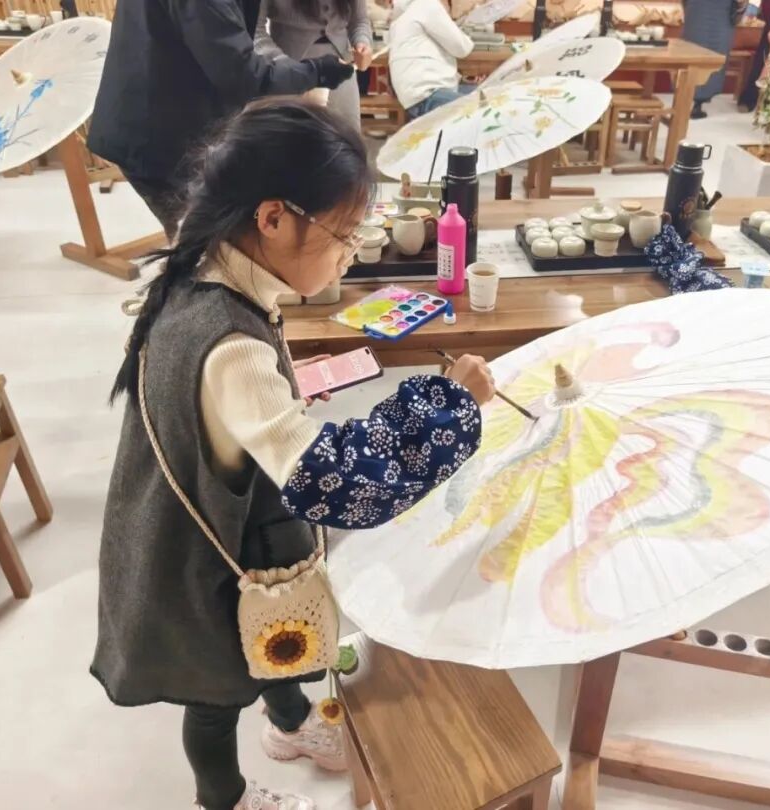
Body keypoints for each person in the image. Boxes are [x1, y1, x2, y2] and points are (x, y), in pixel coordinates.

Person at [91, 98, 495, 810]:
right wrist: (447, 405)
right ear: (273, 217)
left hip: (223, 509)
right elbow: (339, 485)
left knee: (276, 625)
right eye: (343, 234)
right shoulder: (232, 344)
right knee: (216, 690)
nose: (351, 253)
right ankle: (224, 799)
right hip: (196, 552)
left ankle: (293, 726)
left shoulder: (200, 268)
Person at [87, 0, 354, 238]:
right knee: (202, 243)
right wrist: (316, 72)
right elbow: (242, 75)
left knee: (207, 233)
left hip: (169, 113)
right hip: (157, 135)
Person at [254, 0, 374, 130]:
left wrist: (362, 42)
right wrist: (280, 62)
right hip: (290, 73)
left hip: (341, 70)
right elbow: (255, 31)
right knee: (291, 137)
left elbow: (359, 20)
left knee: (347, 136)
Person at [388, 0, 475, 118]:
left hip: (415, 98)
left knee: (484, 93)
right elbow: (462, 48)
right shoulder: (428, 5)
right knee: (487, 110)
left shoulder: (404, 12)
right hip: (429, 95)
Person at [682, 0, 754, 120]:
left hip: (698, 11)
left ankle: (689, 98)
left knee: (694, 51)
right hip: (719, 13)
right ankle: (698, 102)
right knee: (712, 53)